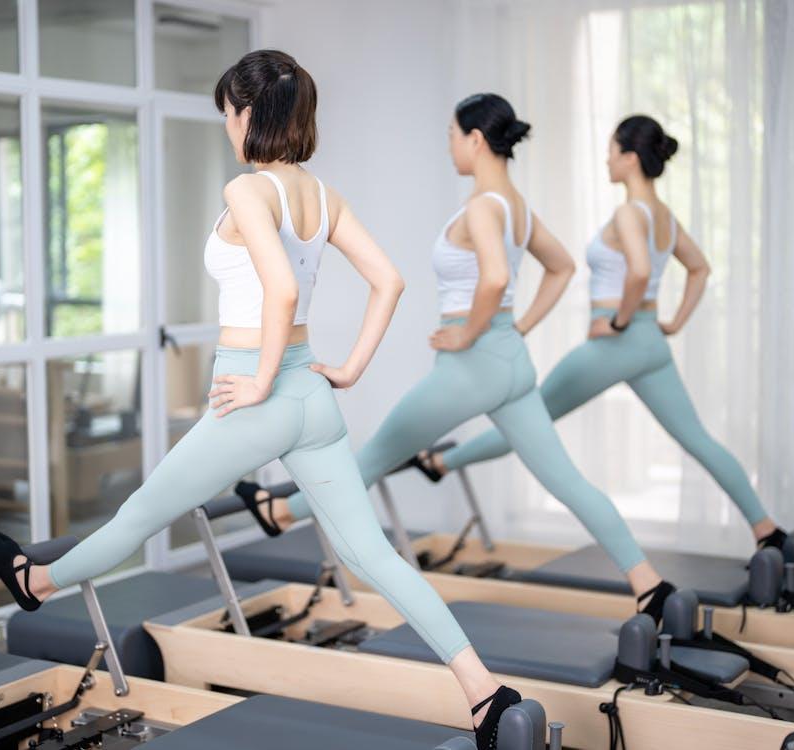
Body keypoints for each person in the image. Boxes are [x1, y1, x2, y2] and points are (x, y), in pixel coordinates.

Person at [0, 51, 521, 747]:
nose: (226, 127)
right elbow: (388, 281)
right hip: (314, 401)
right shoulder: (322, 196)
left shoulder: (247, 191)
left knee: (140, 512)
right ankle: (482, 691)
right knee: (376, 557)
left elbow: (283, 289)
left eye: (226, 114)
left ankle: (38, 584)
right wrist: (350, 368)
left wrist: (261, 380)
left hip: (260, 394)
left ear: (247, 113)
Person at [240, 94, 676, 622]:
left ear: (474, 139)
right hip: (511, 364)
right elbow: (559, 268)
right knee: (568, 482)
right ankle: (648, 583)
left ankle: (280, 511)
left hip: (472, 368)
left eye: (451, 134)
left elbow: (493, 277)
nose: (449, 144)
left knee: (377, 453)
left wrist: (469, 333)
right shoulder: (515, 206)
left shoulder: (483, 207)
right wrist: (514, 327)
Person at [417, 114, 785, 550]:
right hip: (651, 343)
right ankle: (767, 530)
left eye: (611, 151)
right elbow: (699, 269)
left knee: (532, 417)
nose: (606, 160)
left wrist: (619, 321)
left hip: (619, 342)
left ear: (630, 158)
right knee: (698, 439)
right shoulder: (665, 217)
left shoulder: (629, 213)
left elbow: (640, 270)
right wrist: (672, 323)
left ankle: (442, 462)